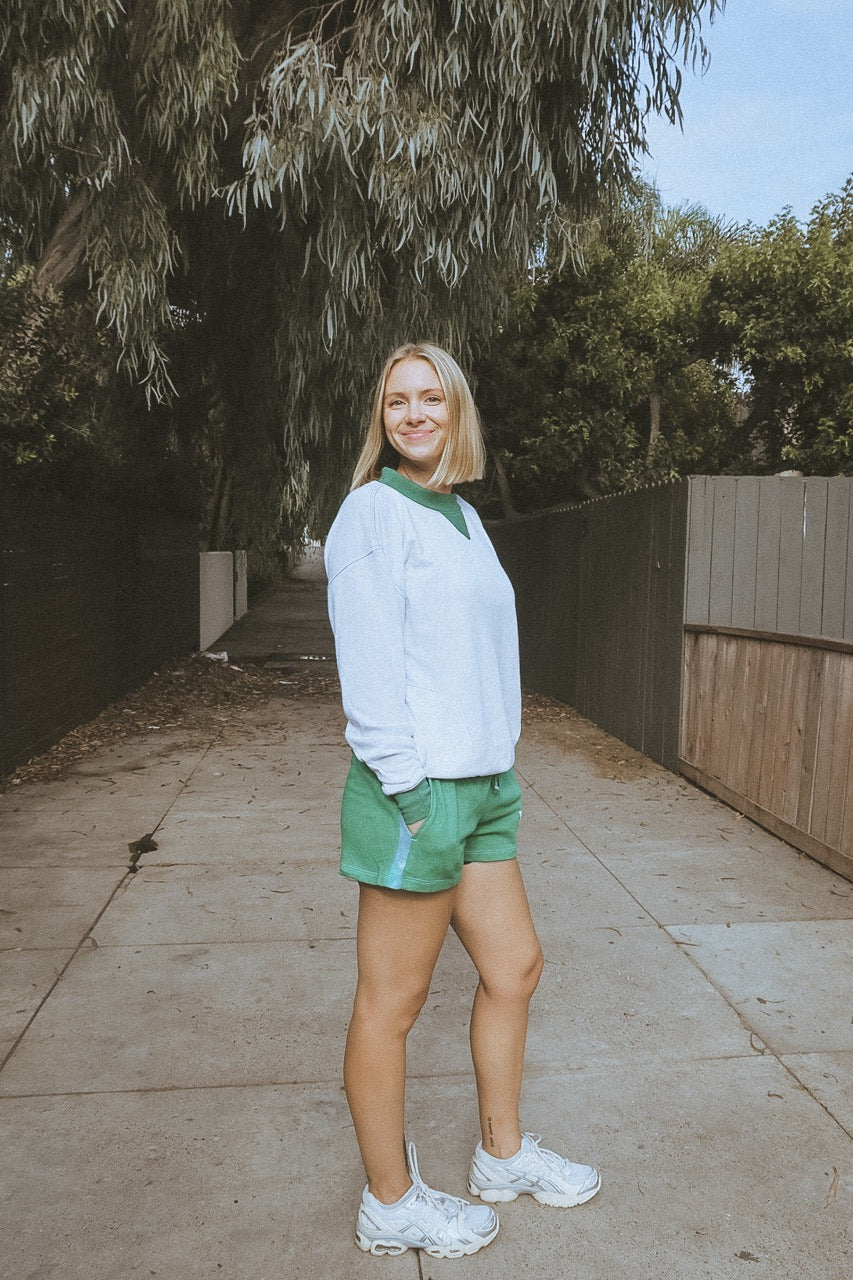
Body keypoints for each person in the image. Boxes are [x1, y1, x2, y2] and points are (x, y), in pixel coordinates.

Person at [324, 341, 600, 1260]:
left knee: (514, 966)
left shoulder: (461, 517)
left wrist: (496, 766)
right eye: (395, 401)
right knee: (390, 1005)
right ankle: (389, 1201)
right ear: (381, 419)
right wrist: (409, 797)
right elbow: (368, 678)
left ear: (456, 411)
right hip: (420, 793)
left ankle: (501, 1154)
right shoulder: (371, 515)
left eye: (428, 398)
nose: (411, 414)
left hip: (484, 789)